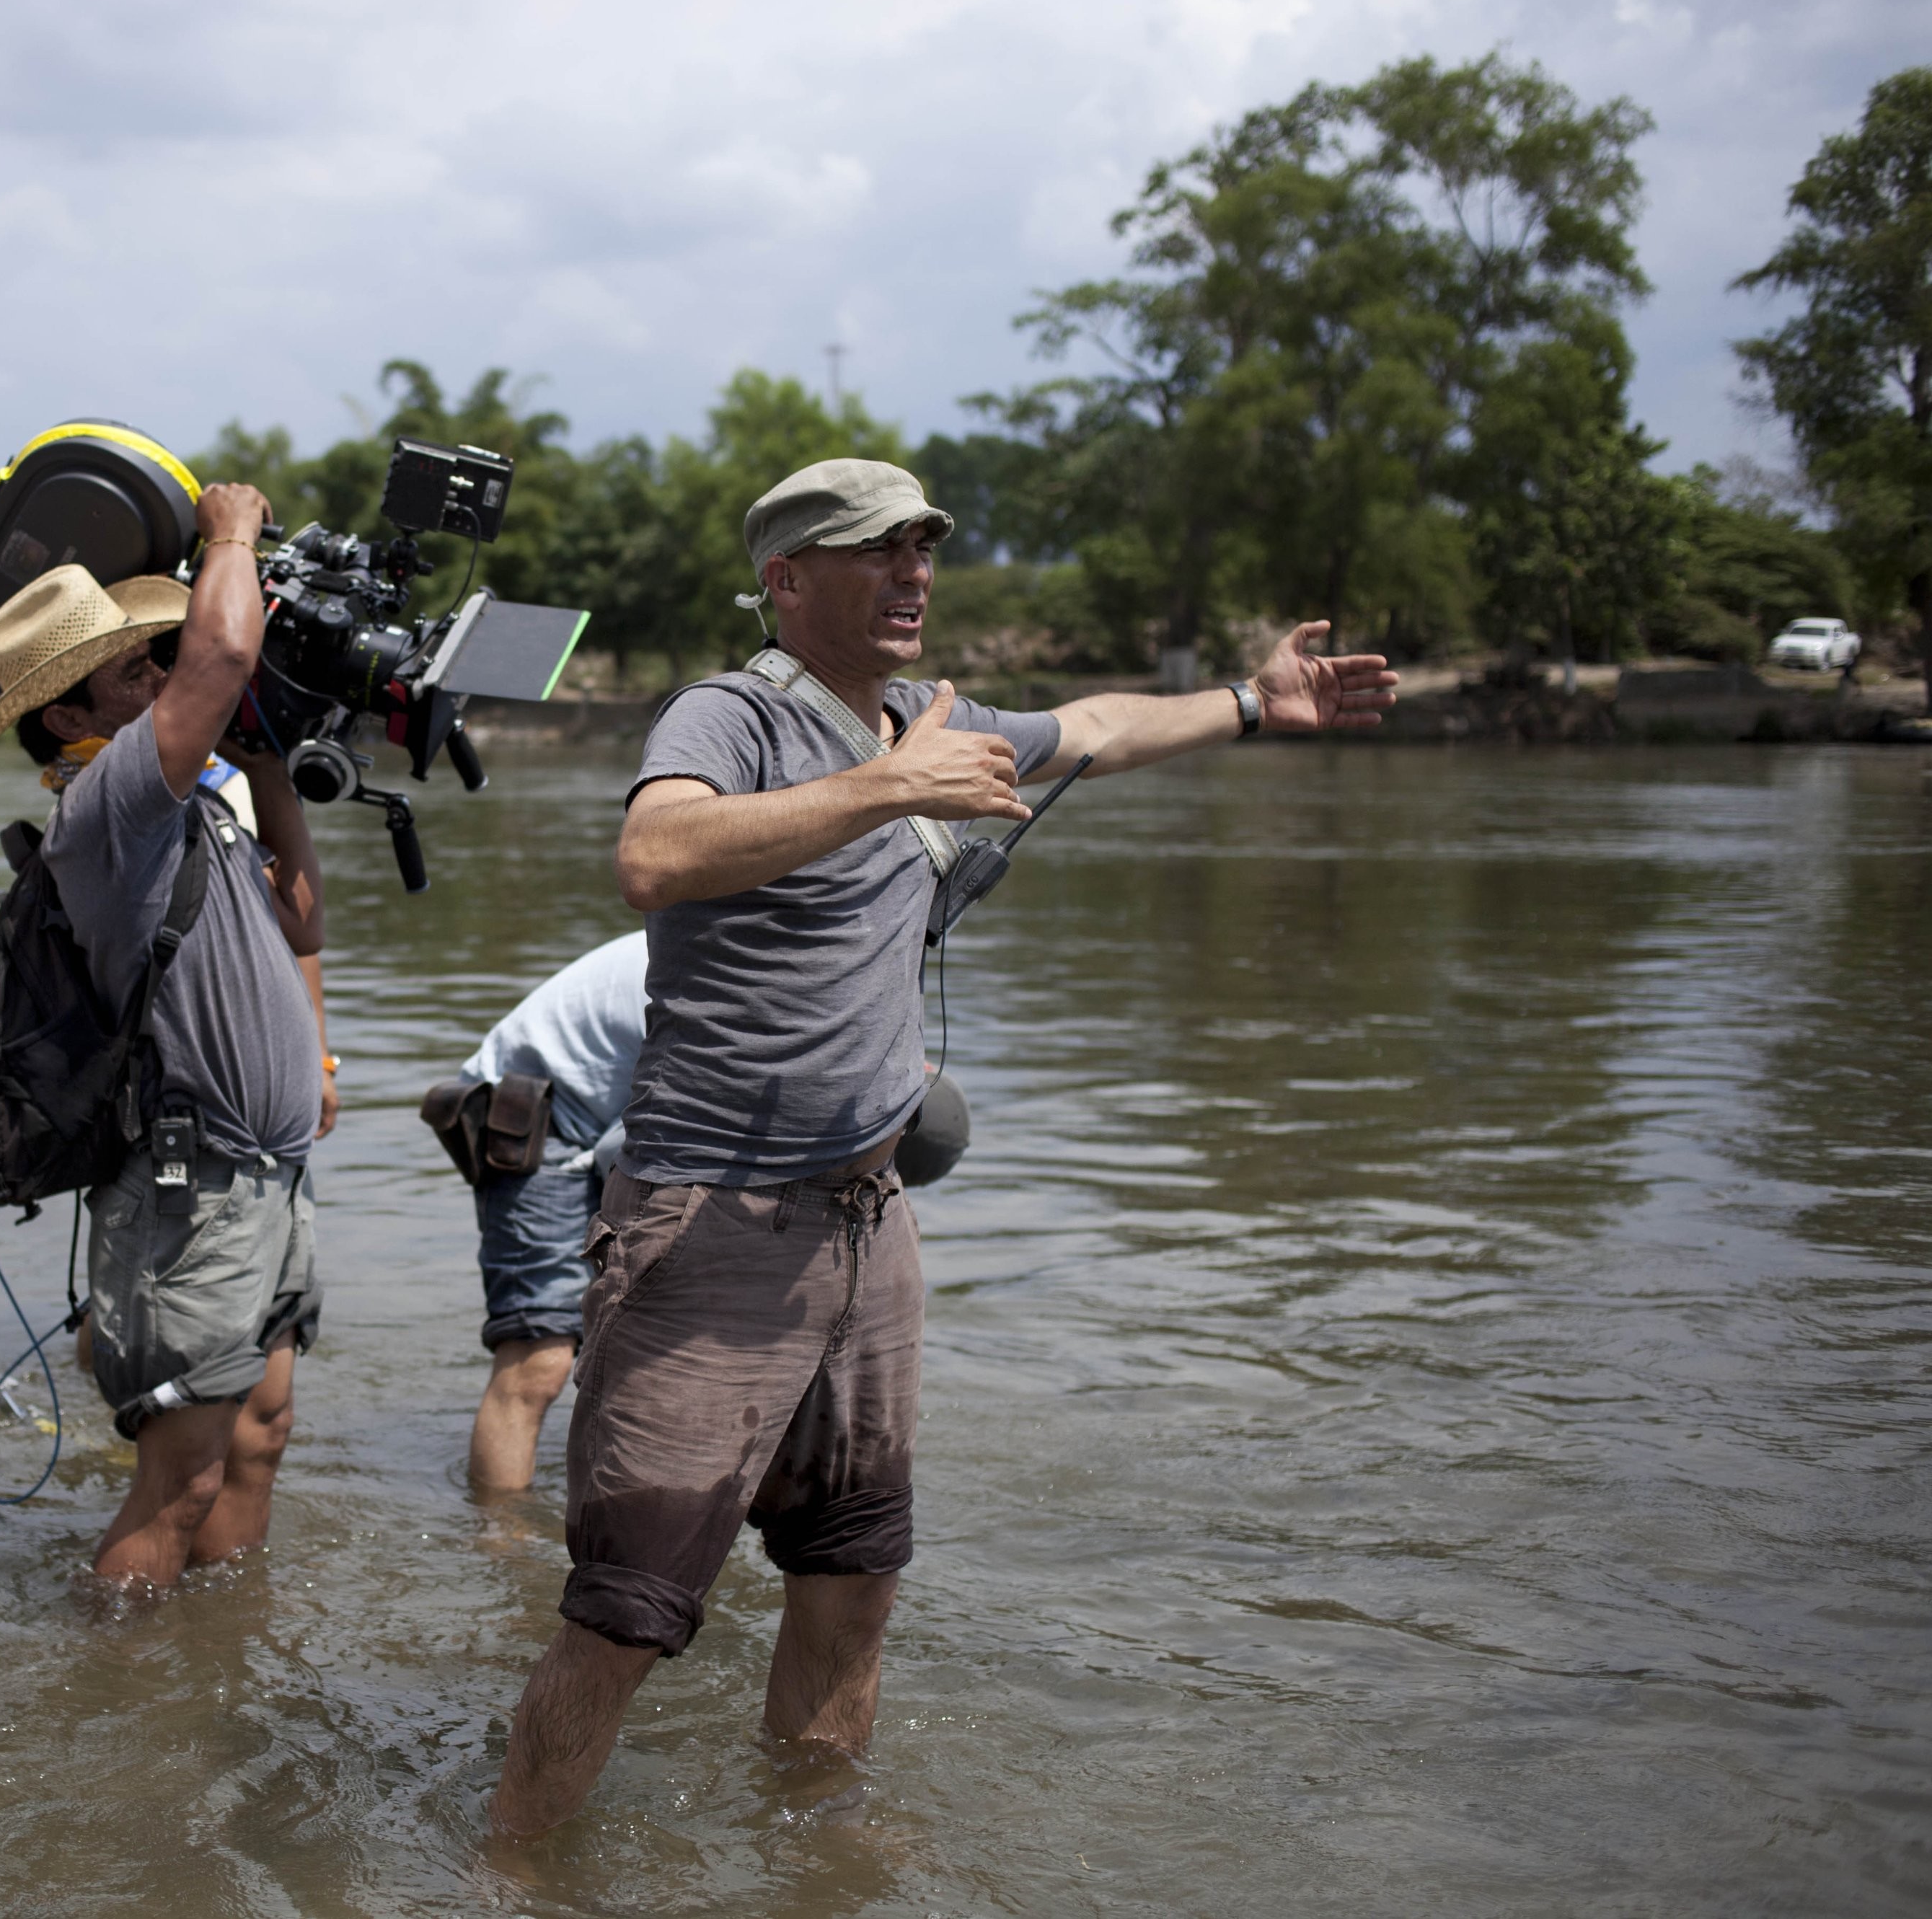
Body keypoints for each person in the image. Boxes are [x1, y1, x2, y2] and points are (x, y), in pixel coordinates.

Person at [488, 459, 1398, 1835]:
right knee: (626, 1617)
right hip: (708, 1228)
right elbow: (655, 856)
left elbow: (1093, 723)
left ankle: (814, 1863)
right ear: (787, 579)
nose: (913, 574)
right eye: (876, 552)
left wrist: (1246, 705)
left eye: (923, 549)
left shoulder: (936, 714)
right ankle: (512, 1873)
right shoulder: (731, 713)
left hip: (868, 1231)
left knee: (853, 1585)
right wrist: (885, 784)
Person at [0, 485, 328, 1587]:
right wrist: (229, 536)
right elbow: (217, 663)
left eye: (164, 655)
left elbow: (301, 917)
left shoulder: (193, 803)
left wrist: (270, 766)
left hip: (267, 1176)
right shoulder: (112, 800)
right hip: (194, 1191)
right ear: (74, 716)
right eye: (139, 670)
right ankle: (121, 1705)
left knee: (256, 1440)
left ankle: (207, 1663)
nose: (169, 674)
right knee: (182, 1480)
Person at [449, 931, 645, 1494]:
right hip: (535, 1115)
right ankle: (501, 1548)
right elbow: (629, 1151)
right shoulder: (741, 973)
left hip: (600, 1118)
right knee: (540, 1355)